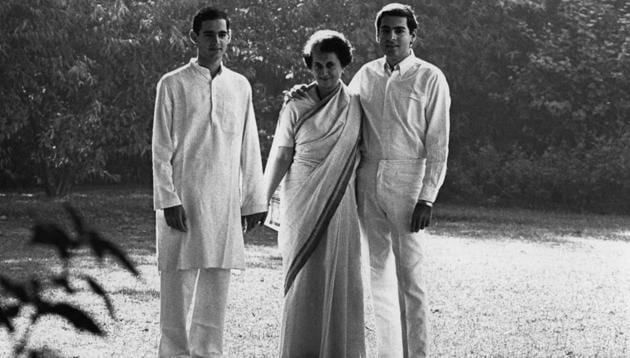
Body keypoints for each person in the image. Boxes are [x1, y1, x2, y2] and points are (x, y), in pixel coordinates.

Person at [152, 7, 267, 358]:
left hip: (223, 200)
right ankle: (172, 354)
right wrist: (168, 199)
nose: (215, 41)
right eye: (208, 34)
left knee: (216, 284)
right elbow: (160, 148)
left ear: (229, 37)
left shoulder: (240, 86)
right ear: (193, 37)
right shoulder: (172, 83)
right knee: (177, 284)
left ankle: (208, 353)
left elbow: (249, 145)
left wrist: (253, 201)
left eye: (222, 34)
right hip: (183, 198)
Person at [349, 3, 451, 357]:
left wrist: (427, 197)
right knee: (378, 274)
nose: (391, 37)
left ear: (412, 35)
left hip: (408, 182)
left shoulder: (429, 77)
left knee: (410, 279)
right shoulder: (365, 75)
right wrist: (303, 96)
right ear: (377, 34)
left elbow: (438, 142)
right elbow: (340, 111)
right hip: (368, 179)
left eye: (399, 30)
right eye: (385, 30)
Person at [263, 30, 365, 357]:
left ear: (343, 65)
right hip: (301, 194)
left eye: (330, 65)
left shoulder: (356, 105)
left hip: (340, 199)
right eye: (317, 65)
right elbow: (281, 153)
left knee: (338, 274)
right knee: (303, 274)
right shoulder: (296, 102)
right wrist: (261, 197)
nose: (323, 72)